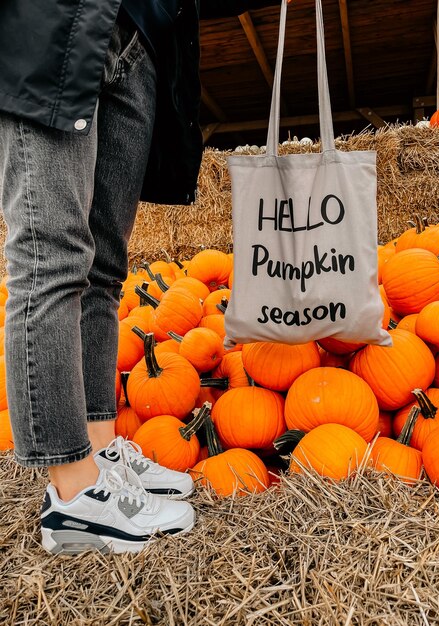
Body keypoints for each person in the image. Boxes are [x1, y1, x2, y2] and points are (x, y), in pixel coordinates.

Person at [0, 0, 280, 554]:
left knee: (103, 269)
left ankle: (100, 452)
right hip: (53, 18)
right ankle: (74, 496)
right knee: (50, 254)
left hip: (138, 32)